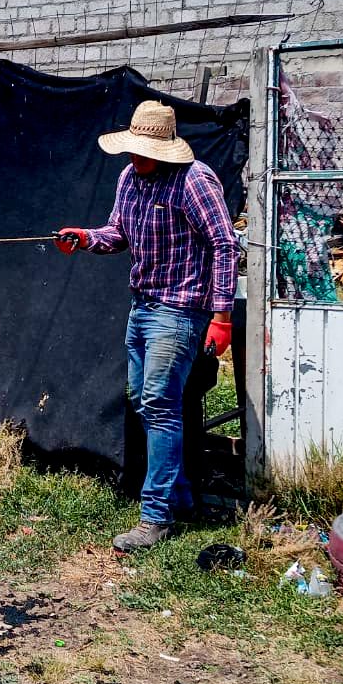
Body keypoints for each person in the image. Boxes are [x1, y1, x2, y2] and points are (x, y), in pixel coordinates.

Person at [55, 100, 237, 554]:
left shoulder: (196, 182)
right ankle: (179, 497)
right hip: (143, 306)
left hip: (180, 310)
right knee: (143, 399)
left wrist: (221, 317)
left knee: (158, 403)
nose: (135, 157)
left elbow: (224, 245)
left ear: (166, 148)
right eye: (132, 149)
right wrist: (86, 238)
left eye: (143, 150)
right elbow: (118, 232)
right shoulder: (129, 179)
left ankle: (155, 516)